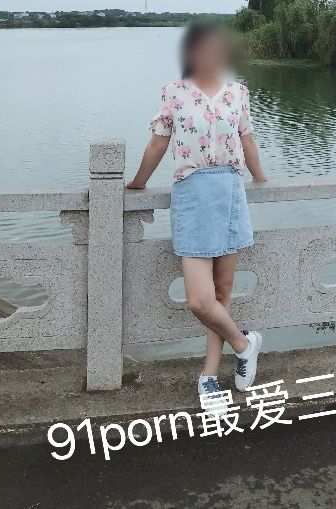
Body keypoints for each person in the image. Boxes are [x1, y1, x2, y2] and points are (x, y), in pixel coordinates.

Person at [127, 23, 267, 409]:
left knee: (222, 294)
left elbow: (247, 140)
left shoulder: (238, 93)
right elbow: (158, 143)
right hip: (191, 194)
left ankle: (209, 375)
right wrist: (138, 182)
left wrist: (261, 178)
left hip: (230, 193)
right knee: (199, 300)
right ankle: (245, 343)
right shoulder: (174, 92)